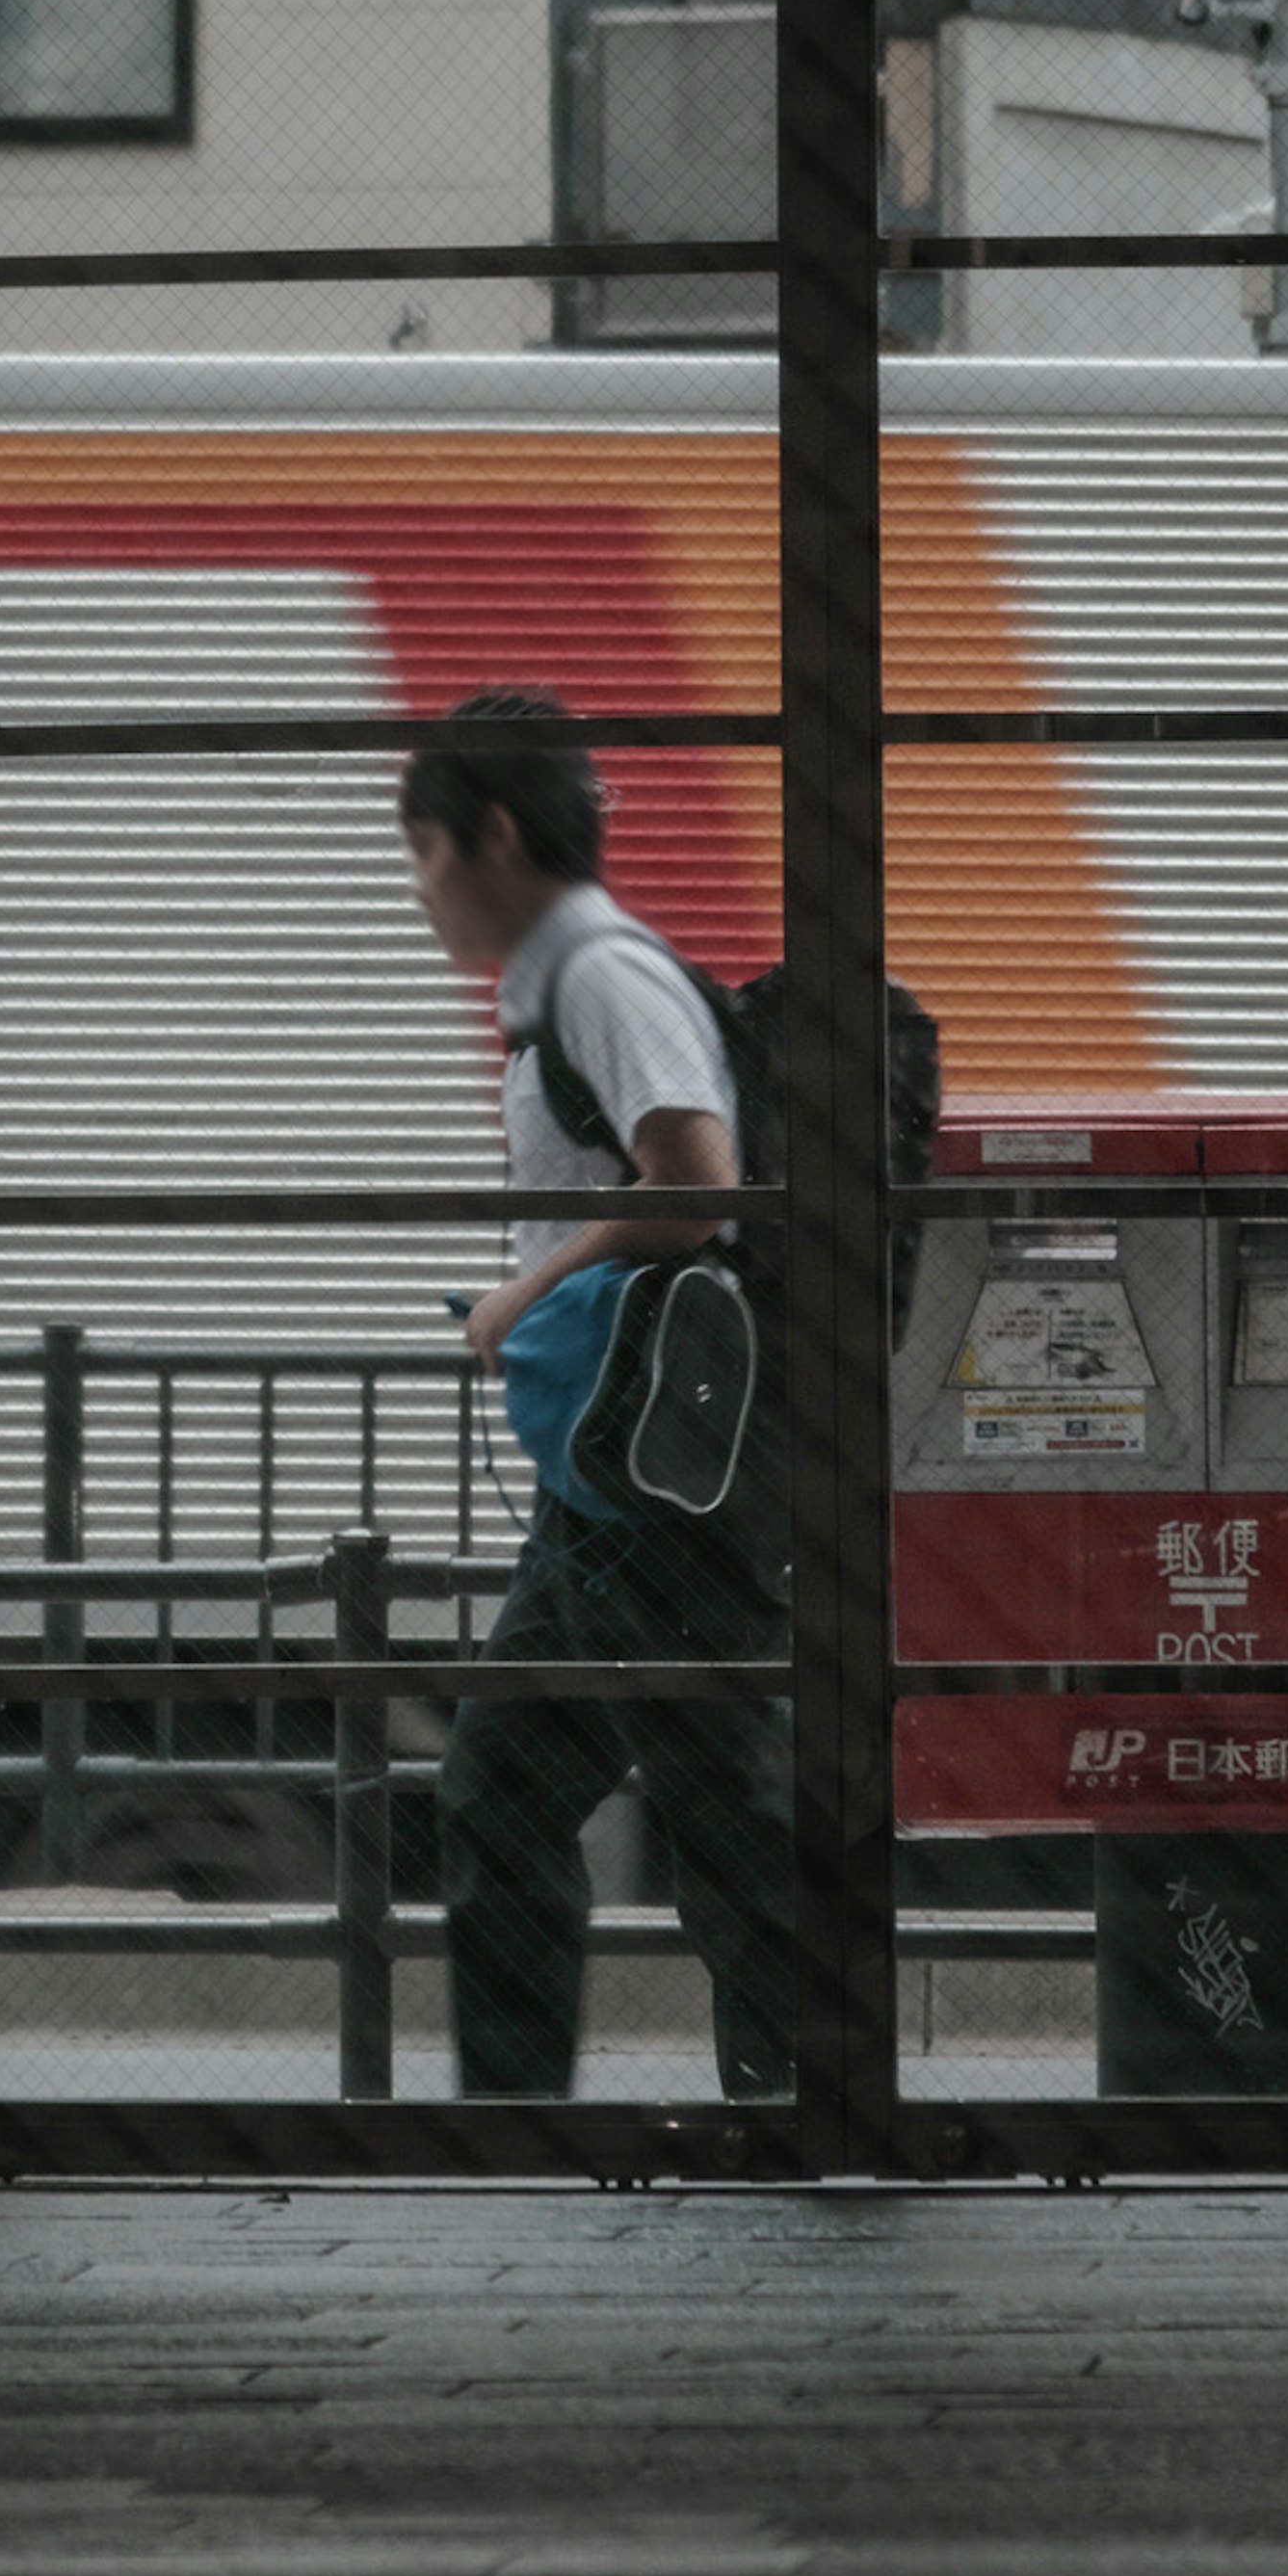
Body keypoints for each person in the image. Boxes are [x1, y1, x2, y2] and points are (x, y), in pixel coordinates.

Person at [400, 687, 796, 2103]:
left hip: (662, 1484)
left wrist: (523, 1290)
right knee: (509, 1791)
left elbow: (699, 1187)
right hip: (614, 1482)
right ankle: (520, 2122)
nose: (424, 890)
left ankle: (806, 2102)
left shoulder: (603, 977)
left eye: (427, 853)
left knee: (722, 1810)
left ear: (492, 834)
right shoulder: (568, 983)